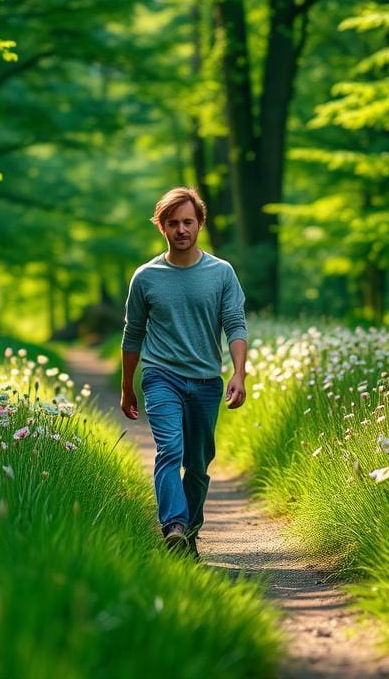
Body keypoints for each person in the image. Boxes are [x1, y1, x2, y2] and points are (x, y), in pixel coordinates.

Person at [120, 187, 248, 558]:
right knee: (169, 451)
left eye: (188, 222)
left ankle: (189, 533)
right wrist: (128, 387)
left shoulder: (221, 273)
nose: (181, 230)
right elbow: (133, 334)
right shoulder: (145, 277)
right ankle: (173, 525)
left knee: (197, 465)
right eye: (172, 223)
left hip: (207, 381)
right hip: (161, 376)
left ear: (200, 224)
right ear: (161, 227)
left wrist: (239, 374)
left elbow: (235, 325)